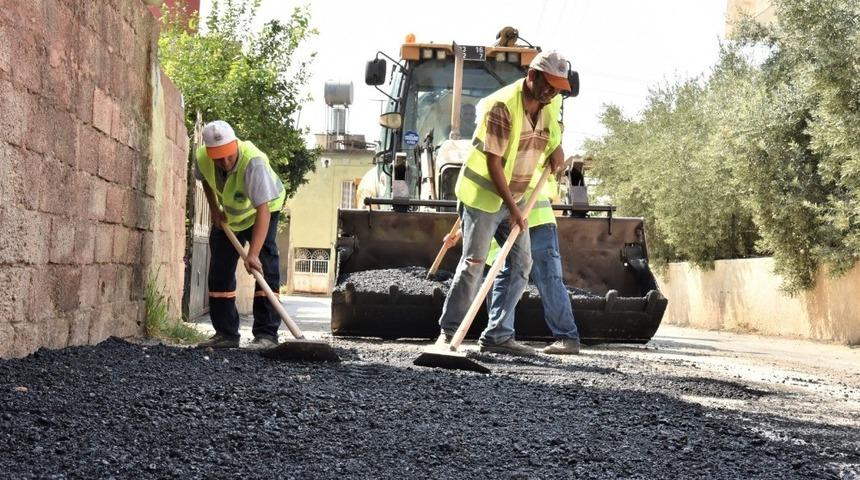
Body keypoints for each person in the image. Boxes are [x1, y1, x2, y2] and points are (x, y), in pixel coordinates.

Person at [436, 51, 570, 356]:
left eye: (557, 88)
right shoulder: (502, 107)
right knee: (473, 264)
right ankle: (448, 333)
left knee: (522, 264)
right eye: (549, 84)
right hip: (483, 198)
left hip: (514, 199)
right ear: (532, 75)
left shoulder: (548, 106)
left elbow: (552, 141)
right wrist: (514, 209)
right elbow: (494, 163)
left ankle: (498, 335)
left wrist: (558, 149)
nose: (552, 92)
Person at [195, 120, 287, 350]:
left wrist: (253, 254)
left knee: (265, 266)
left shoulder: (252, 162)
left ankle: (266, 335)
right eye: (219, 158)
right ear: (209, 152)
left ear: (235, 144)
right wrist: (214, 209)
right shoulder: (203, 157)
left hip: (264, 211)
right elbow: (206, 180)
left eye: (228, 155)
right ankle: (226, 334)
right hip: (230, 218)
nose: (225, 162)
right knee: (219, 270)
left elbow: (263, 210)